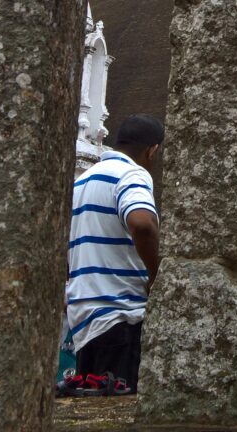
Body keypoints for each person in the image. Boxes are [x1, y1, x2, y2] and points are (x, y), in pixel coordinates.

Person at [66, 114, 164, 393]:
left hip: (84, 320)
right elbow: (142, 224)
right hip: (121, 316)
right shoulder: (132, 174)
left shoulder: (81, 182)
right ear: (151, 150)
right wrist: (156, 274)